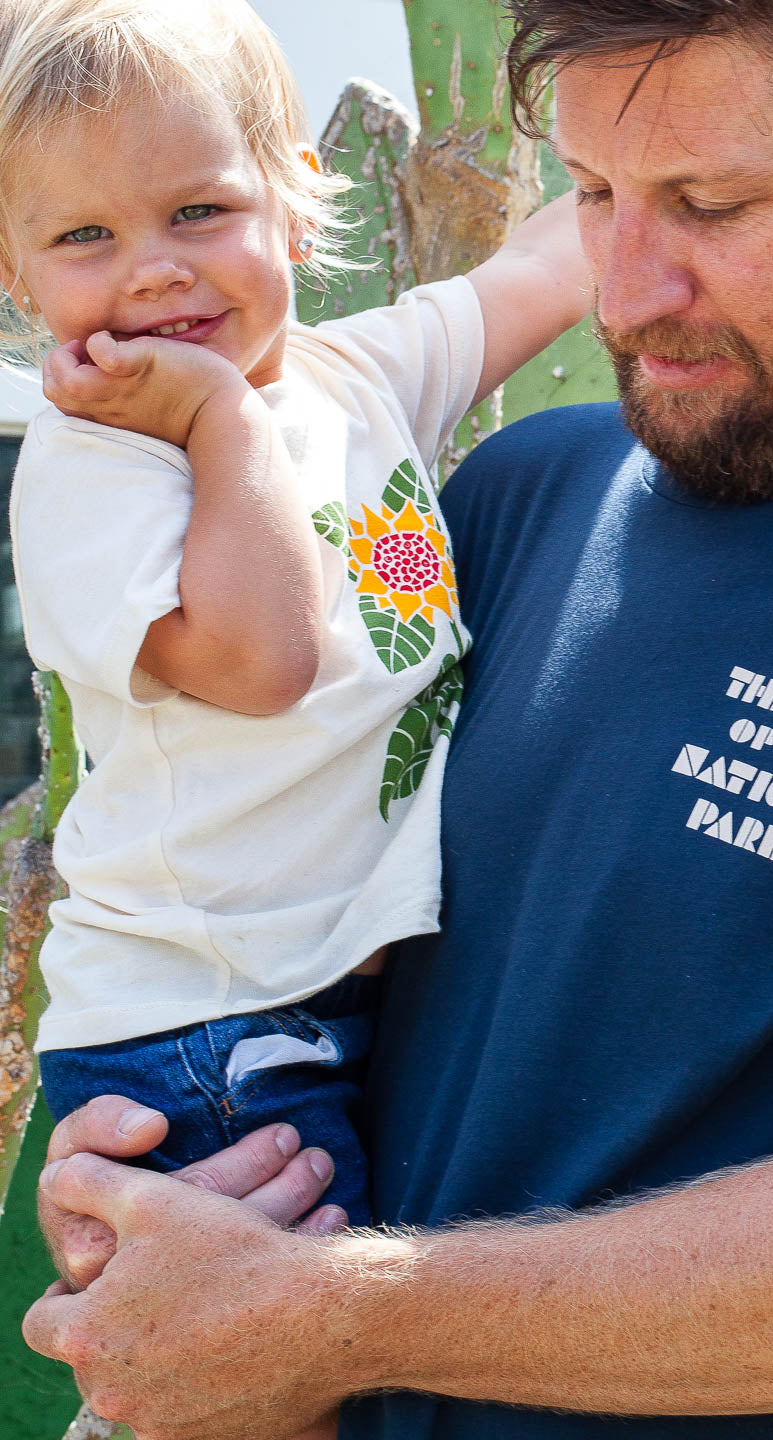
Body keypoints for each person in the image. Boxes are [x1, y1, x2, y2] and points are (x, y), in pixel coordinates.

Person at [22, 3, 773, 1440]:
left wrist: (317, 1310)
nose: (626, 295)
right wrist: (174, 1170)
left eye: (709, 204)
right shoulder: (521, 497)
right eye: (593, 194)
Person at [3, 0, 586, 1251]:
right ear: (17, 269)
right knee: (286, 1377)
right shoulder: (98, 464)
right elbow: (262, 664)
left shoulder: (359, 378)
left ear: (296, 197)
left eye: (198, 211)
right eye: (84, 235)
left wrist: (645, 162)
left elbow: (547, 266)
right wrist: (218, 415)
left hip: (335, 1005)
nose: (153, 266)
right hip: (197, 1030)